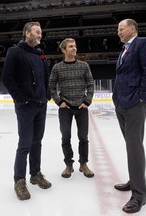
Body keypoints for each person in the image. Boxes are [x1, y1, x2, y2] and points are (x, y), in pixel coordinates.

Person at [2, 21, 52, 201]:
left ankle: (35, 174)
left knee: (37, 142)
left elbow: (45, 78)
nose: (40, 35)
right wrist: (21, 99)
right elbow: (7, 78)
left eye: (41, 32)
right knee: (25, 143)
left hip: (41, 105)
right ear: (27, 33)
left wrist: (47, 96)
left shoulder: (40, 54)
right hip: (26, 106)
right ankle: (19, 180)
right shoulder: (15, 51)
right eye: (37, 32)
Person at [112, 19, 146, 213]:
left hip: (134, 104)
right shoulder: (124, 49)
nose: (118, 32)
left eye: (121, 29)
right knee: (131, 146)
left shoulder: (143, 43)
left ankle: (139, 195)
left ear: (133, 29)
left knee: (134, 147)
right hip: (121, 103)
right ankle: (134, 180)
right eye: (118, 30)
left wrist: (141, 99)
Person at [49, 38, 95, 179]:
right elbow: (51, 86)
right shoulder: (57, 68)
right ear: (64, 50)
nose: (74, 48)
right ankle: (69, 165)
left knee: (83, 137)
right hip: (65, 108)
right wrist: (59, 102)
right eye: (70, 47)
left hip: (81, 107)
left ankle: (83, 164)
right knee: (66, 137)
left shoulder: (84, 65)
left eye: (75, 46)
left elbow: (90, 84)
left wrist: (87, 101)